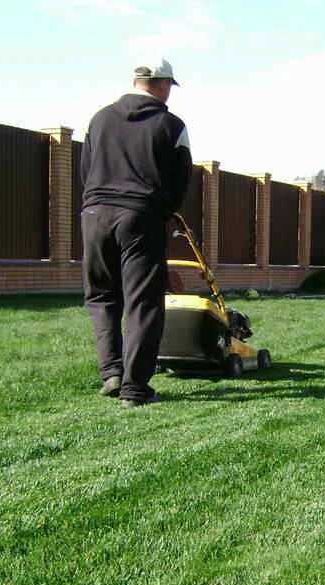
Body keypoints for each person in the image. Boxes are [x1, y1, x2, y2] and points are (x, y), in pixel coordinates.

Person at [79, 58, 193, 407]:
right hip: (141, 217)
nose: (169, 95)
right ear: (160, 84)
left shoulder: (99, 119)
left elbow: (86, 168)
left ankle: (111, 372)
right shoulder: (171, 124)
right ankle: (134, 388)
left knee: (101, 296)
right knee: (143, 302)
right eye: (169, 87)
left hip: (95, 214)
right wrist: (166, 213)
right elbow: (179, 179)